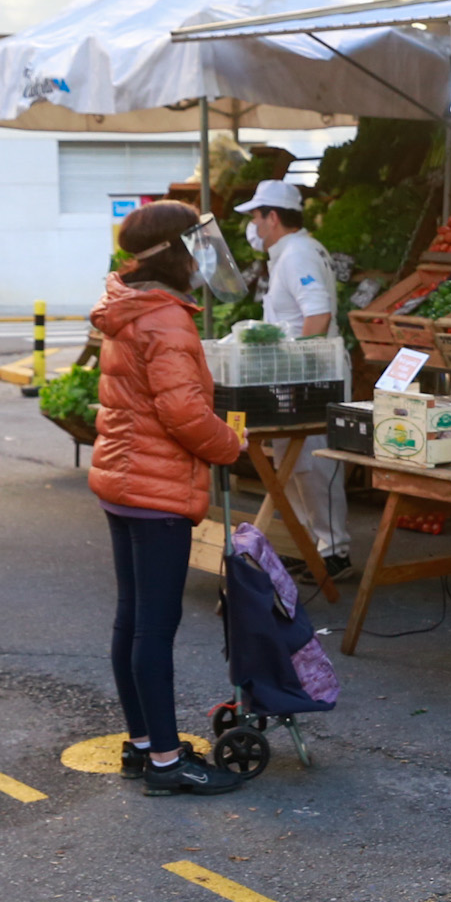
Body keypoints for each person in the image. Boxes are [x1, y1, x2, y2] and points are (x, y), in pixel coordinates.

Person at [89, 202, 251, 795]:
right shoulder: (166, 320)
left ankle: (141, 744)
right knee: (154, 628)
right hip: (156, 491)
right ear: (177, 255)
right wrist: (229, 445)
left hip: (123, 482)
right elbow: (182, 412)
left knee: (133, 619)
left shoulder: (129, 308)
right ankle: (164, 762)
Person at [232, 177, 352, 580]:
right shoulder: (288, 254)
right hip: (296, 377)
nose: (253, 226)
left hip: (311, 377)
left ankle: (334, 550)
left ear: (273, 217)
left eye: (255, 217)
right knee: (293, 464)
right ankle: (309, 545)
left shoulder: (297, 254)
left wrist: (296, 369)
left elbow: (316, 317)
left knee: (313, 465)